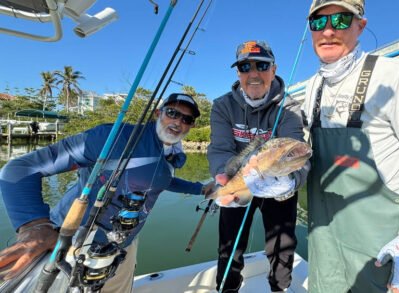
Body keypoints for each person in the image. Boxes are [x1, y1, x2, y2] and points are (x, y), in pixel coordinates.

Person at [301, 1, 399, 292]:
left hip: (381, 247)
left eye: (341, 19)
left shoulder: (396, 75)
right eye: (318, 22)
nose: (328, 30)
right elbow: (310, 156)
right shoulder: (312, 88)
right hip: (324, 244)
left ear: (360, 25)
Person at [0, 93, 212, 293]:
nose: (179, 122)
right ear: (158, 113)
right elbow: (20, 169)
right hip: (70, 244)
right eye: (173, 113)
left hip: (122, 247)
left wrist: (200, 188)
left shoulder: (170, 153)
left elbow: (161, 180)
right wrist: (34, 225)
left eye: (187, 119)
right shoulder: (114, 137)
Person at [207, 40, 309, 293]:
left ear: (273, 70)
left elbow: (296, 151)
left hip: (275, 179)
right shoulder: (222, 106)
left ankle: (279, 288)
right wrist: (224, 176)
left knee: (282, 243)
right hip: (238, 180)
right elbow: (220, 149)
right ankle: (228, 288)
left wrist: (289, 182)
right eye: (244, 66)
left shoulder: (290, 107)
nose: (253, 74)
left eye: (262, 65)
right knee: (230, 243)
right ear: (238, 72)